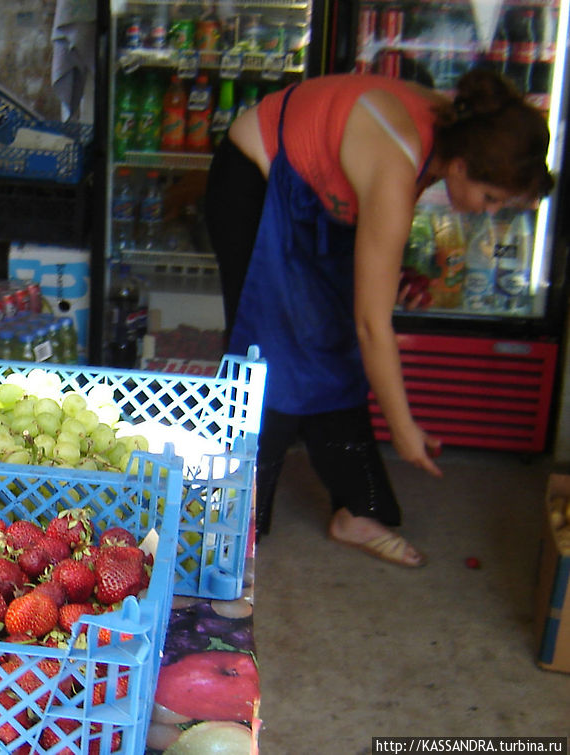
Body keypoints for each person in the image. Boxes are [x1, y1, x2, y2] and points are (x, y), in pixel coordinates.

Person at [204, 69, 553, 567]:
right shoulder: (398, 159)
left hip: (316, 195)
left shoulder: (458, 132)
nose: (486, 214)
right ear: (457, 166)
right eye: (489, 198)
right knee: (270, 351)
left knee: (331, 341)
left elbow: (369, 272)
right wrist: (403, 426)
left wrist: (396, 268)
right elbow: (374, 326)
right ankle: (236, 515)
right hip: (253, 179)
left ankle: (356, 509)